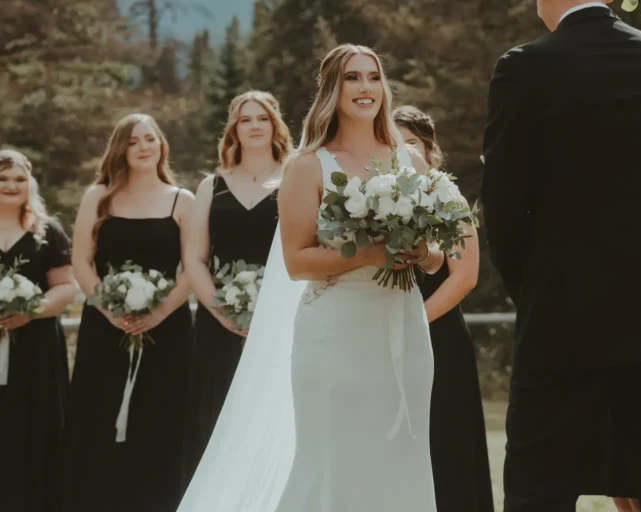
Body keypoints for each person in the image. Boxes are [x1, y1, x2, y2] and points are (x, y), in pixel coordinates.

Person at [180, 43, 443, 512]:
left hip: (401, 327)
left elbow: (437, 258)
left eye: (373, 76)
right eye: (352, 78)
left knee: (401, 456)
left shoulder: (411, 162)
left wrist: (423, 252)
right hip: (334, 333)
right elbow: (298, 260)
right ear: (331, 90)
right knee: (332, 459)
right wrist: (373, 251)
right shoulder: (308, 165)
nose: (365, 87)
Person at [482, 0, 641, 512]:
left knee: (539, 493)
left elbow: (504, 207)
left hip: (561, 327)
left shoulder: (524, 69)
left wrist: (536, 292)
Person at [67, 114, 194, 512]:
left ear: (161, 146)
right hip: (105, 327)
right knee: (98, 417)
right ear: (120, 148)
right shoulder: (98, 196)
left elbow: (193, 267)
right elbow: (81, 263)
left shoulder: (182, 200)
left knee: (159, 419)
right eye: (134, 141)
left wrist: (160, 314)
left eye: (150, 139)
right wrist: (108, 309)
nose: (143, 147)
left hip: (167, 329)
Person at [184, 90, 292, 476]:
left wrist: (273, 312)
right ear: (234, 130)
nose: (254, 126)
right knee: (217, 415)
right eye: (245, 120)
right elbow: (194, 259)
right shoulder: (212, 186)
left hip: (281, 324)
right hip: (220, 326)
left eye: (262, 118)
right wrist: (224, 312)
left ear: (275, 124)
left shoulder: (296, 177)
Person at [394, 106, 494, 512]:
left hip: (438, 337)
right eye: (394, 143)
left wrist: (413, 324)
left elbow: (464, 275)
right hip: (379, 336)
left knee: (445, 443)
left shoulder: (445, 195)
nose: (403, 151)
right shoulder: (371, 199)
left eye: (411, 143)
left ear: (430, 150)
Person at [0, 149, 76, 512]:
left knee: (33, 428)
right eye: (2, 179)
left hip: (36, 347)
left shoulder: (48, 232)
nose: (11, 185)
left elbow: (64, 288)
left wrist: (30, 313)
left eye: (19, 179)